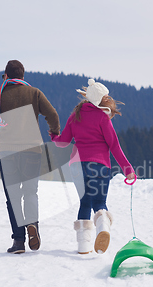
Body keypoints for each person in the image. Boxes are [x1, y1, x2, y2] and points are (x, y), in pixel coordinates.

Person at [0, 60, 60, 254]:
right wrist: (54, 133)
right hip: (32, 151)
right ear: (22, 76)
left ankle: (18, 242)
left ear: (6, 76)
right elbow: (53, 115)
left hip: (7, 153)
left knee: (13, 197)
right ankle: (32, 224)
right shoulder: (34, 94)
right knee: (30, 192)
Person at [50, 79, 136, 254]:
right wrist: (128, 170)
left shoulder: (76, 115)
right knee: (99, 202)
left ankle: (83, 245)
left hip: (77, 166)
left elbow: (63, 142)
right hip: (99, 165)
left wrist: (54, 136)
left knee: (84, 203)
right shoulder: (102, 117)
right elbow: (114, 146)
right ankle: (103, 225)